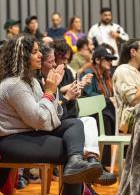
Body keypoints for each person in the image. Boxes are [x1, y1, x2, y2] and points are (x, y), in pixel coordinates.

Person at [0, 35, 102, 195]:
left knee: (75, 124)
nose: (40, 55)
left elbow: (52, 112)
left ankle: (77, 163)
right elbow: (39, 120)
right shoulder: (14, 85)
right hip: (9, 141)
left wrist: (54, 88)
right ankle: (80, 173)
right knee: (69, 150)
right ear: (23, 56)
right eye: (35, 52)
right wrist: (49, 91)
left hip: (29, 132)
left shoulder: (32, 81)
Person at [39, 44, 117, 188]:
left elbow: (56, 107)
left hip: (59, 118)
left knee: (89, 120)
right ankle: (91, 172)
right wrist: (67, 96)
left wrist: (72, 94)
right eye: (52, 61)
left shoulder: (56, 75)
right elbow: (45, 112)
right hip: (46, 125)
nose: (56, 63)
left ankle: (93, 163)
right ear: (40, 61)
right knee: (81, 124)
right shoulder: (40, 80)